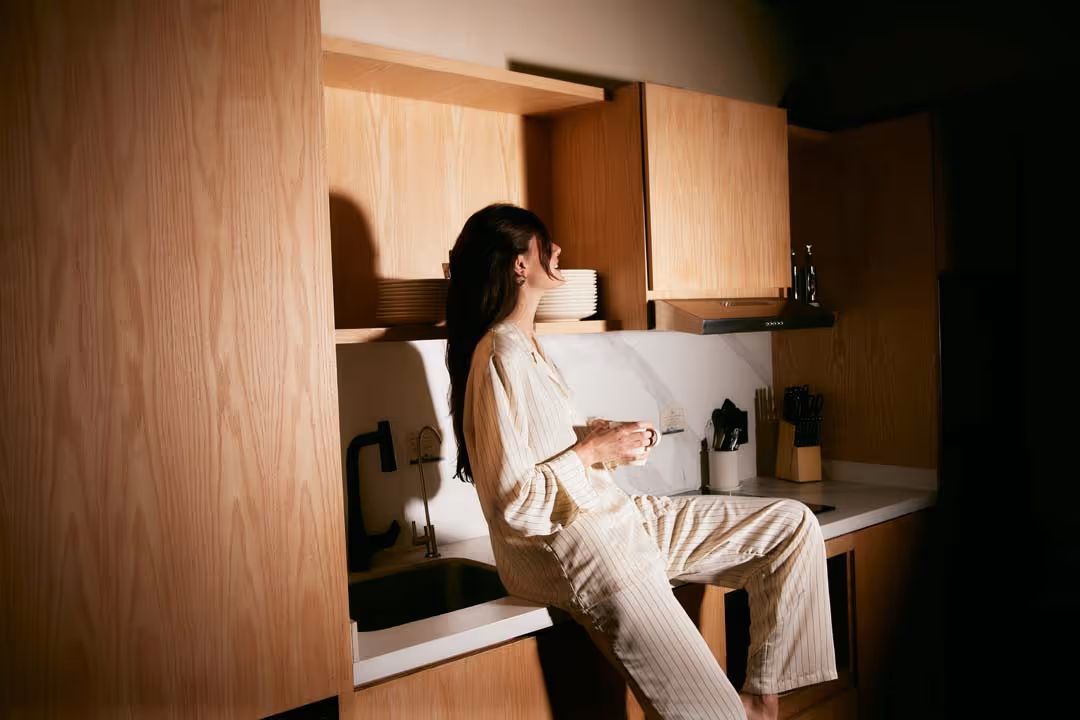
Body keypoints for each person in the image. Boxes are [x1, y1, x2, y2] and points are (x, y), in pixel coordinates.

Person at [445, 204, 837, 720]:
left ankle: (763, 696)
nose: (558, 250)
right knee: (715, 716)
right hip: (585, 552)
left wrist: (600, 436)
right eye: (546, 242)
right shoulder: (499, 355)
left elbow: (541, 447)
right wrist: (593, 451)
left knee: (791, 526)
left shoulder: (527, 346)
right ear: (520, 264)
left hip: (622, 518)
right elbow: (512, 504)